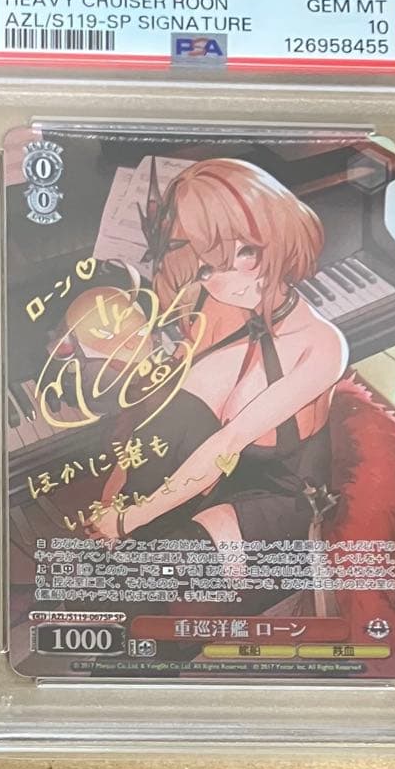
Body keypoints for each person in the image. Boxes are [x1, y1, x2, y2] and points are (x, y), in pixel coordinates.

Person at [92, 156, 348, 546]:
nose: (231, 283)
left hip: (276, 496)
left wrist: (127, 521)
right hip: (214, 477)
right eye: (208, 269)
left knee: (170, 559)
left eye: (245, 252)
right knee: (175, 413)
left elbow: (226, 444)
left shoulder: (323, 344)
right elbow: (160, 415)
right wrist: (112, 500)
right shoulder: (216, 307)